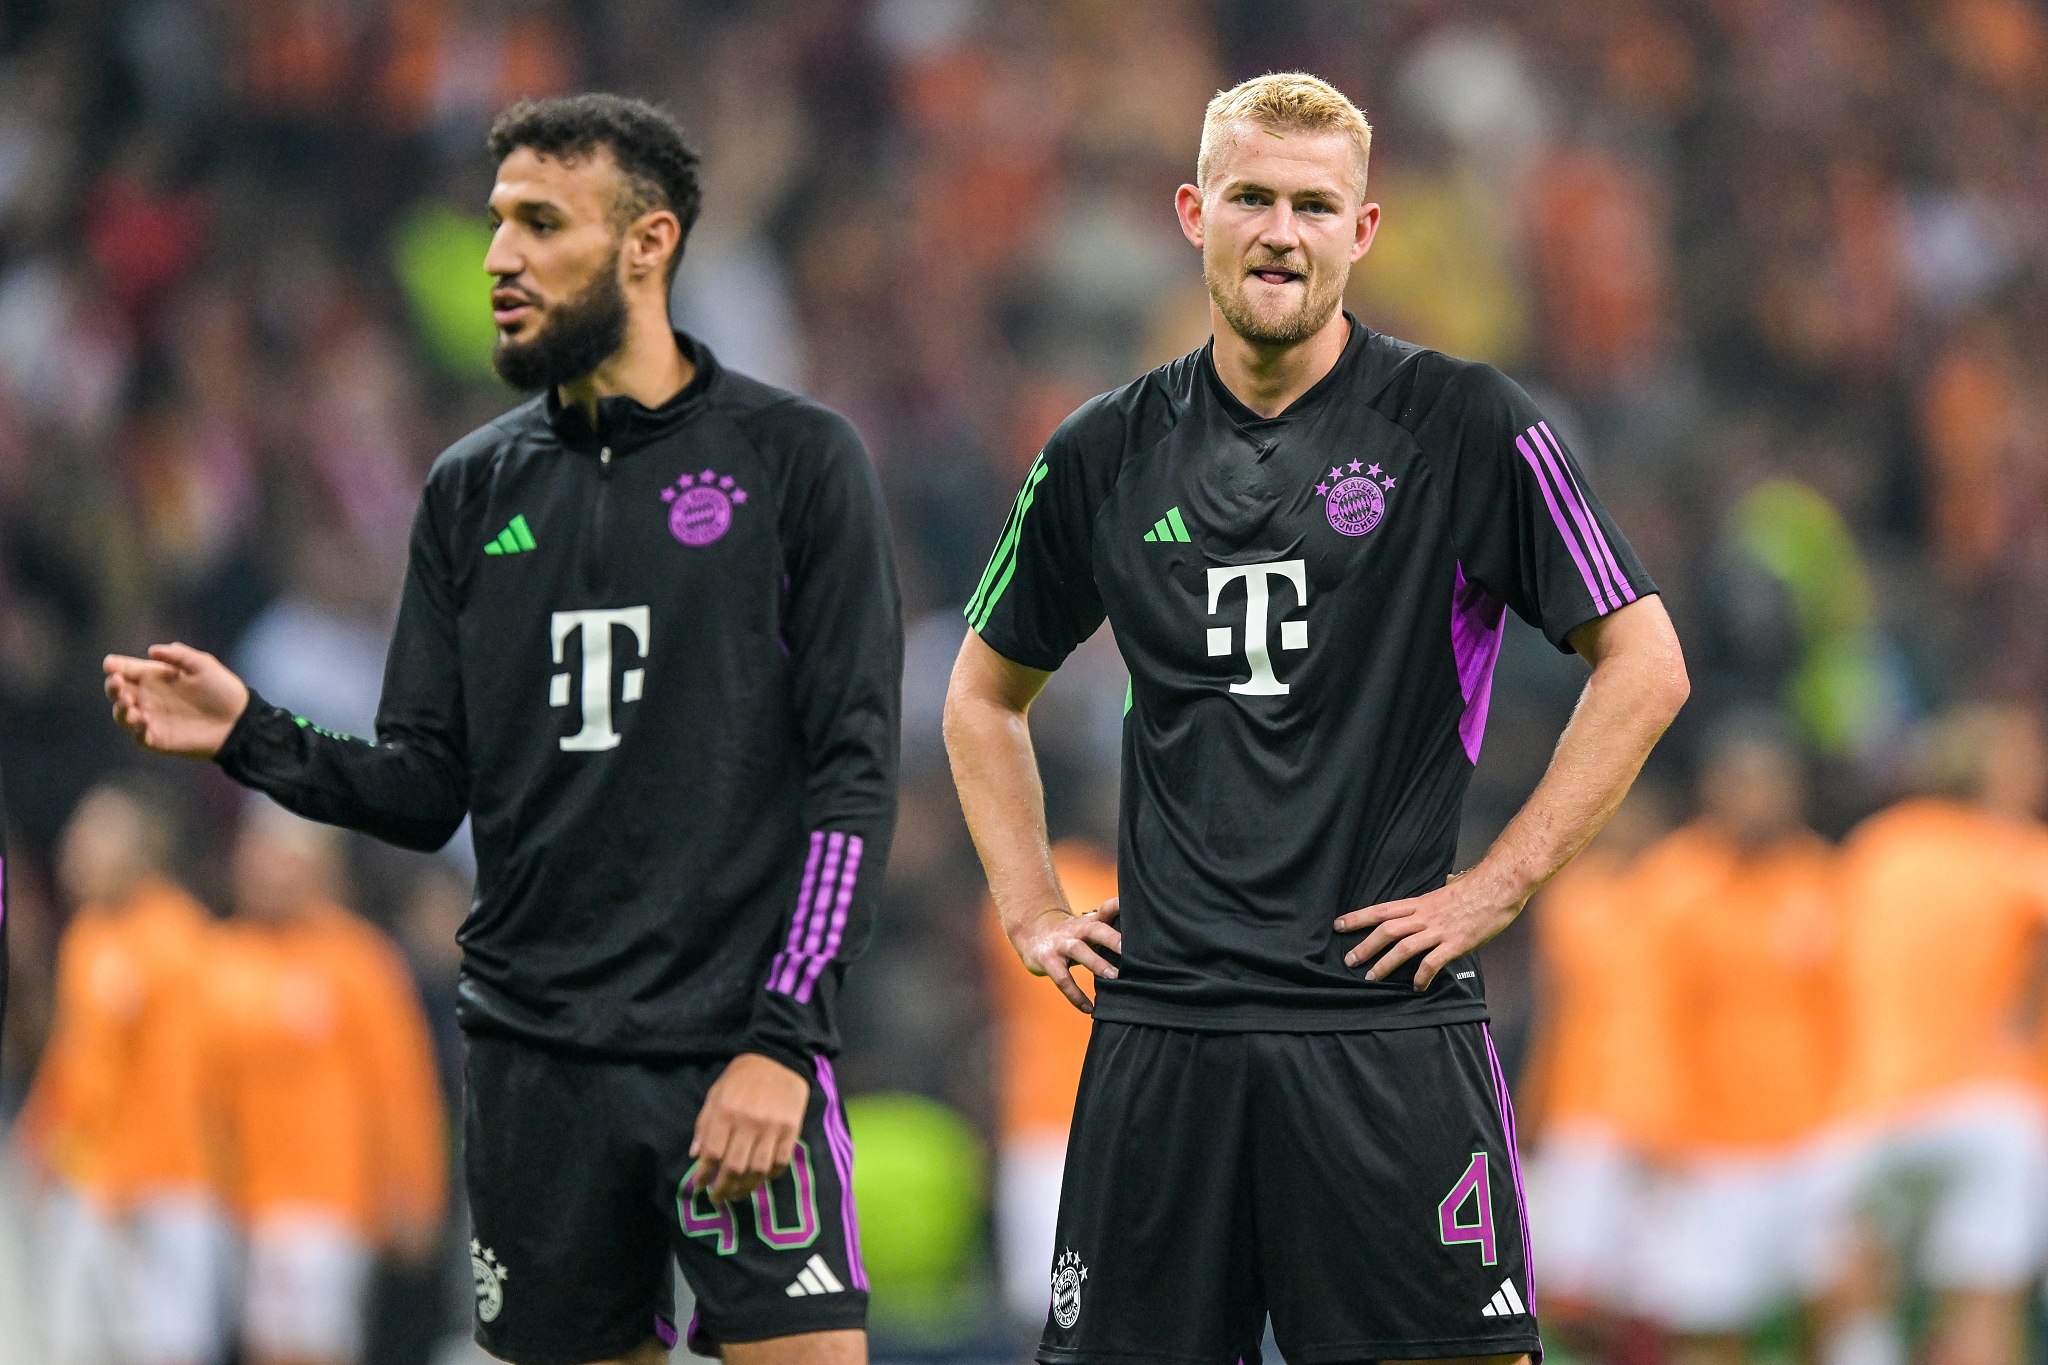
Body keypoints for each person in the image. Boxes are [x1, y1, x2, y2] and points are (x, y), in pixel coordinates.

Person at [102, 93, 902, 1365]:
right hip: (533, 1068)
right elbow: (427, 788)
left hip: (727, 1048)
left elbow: (853, 780)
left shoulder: (796, 462)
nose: (496, 258)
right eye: (495, 224)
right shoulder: (470, 489)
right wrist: (253, 733)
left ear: (646, 244)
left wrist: (783, 1039)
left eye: (539, 223)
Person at [944, 72, 1687, 1365]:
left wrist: (1497, 886)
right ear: (1192, 212)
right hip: (1167, 1029)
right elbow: (979, 692)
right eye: (1249, 198)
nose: (1280, 231)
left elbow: (1647, 660)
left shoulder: (1462, 425)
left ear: (1364, 229)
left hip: (1379, 1026)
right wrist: (1028, 906)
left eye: (1311, 204)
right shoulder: (1102, 450)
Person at [1816, 704, 2048, 1365]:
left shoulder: (1876, 848)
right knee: (1982, 1301)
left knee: (1861, 1280)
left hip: (1873, 1104)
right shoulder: (2023, 853)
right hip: (1991, 1105)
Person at [204, 801, 446, 1365]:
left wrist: (415, 1190)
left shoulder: (356, 961)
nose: (268, 872)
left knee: (308, 1350)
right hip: (233, 1203)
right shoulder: (221, 957)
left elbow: (402, 1088)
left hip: (323, 1199)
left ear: (322, 870)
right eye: (258, 857)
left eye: (284, 859)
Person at [1625, 728, 1839, 1365]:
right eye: (1742, 783)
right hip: (1705, 1148)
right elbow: (1643, 1020)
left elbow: (1849, 1011)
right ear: (1711, 790)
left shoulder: (1821, 878)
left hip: (1813, 1139)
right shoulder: (1673, 886)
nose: (1757, 798)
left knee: (1834, 1310)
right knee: (1708, 1324)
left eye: (1771, 782)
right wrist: (1655, 1130)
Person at [17, 782, 228, 1365]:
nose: (71, 853)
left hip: (163, 1187)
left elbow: (176, 1082)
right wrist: (37, 1138)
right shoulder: (86, 937)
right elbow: (71, 1057)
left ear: (139, 853)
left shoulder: (177, 938)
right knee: (77, 1344)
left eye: (89, 840)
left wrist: (127, 1181)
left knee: (164, 1346)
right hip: (89, 1176)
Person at [1518, 782, 1671, 1354]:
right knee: (1568, 1281)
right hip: (1582, 1100)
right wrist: (1531, 1105)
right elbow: (1553, 1008)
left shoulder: (1680, 891)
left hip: (1666, 1109)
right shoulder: (1574, 896)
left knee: (1653, 1283)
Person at [983, 839, 1115, 1324]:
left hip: (1047, 1131)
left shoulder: (1033, 892)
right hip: (1058, 1130)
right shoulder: (1069, 883)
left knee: (1053, 1320)